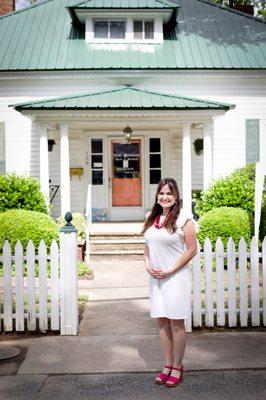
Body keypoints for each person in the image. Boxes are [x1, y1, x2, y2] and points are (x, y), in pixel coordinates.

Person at [142, 177, 197, 388]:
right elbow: (147, 246)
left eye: (169, 194)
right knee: (161, 322)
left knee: (176, 323)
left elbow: (192, 250)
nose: (165, 197)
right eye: (162, 193)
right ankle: (167, 365)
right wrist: (148, 266)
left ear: (176, 197)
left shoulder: (185, 219)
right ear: (157, 196)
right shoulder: (151, 217)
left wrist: (171, 269)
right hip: (156, 278)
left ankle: (178, 366)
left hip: (175, 278)